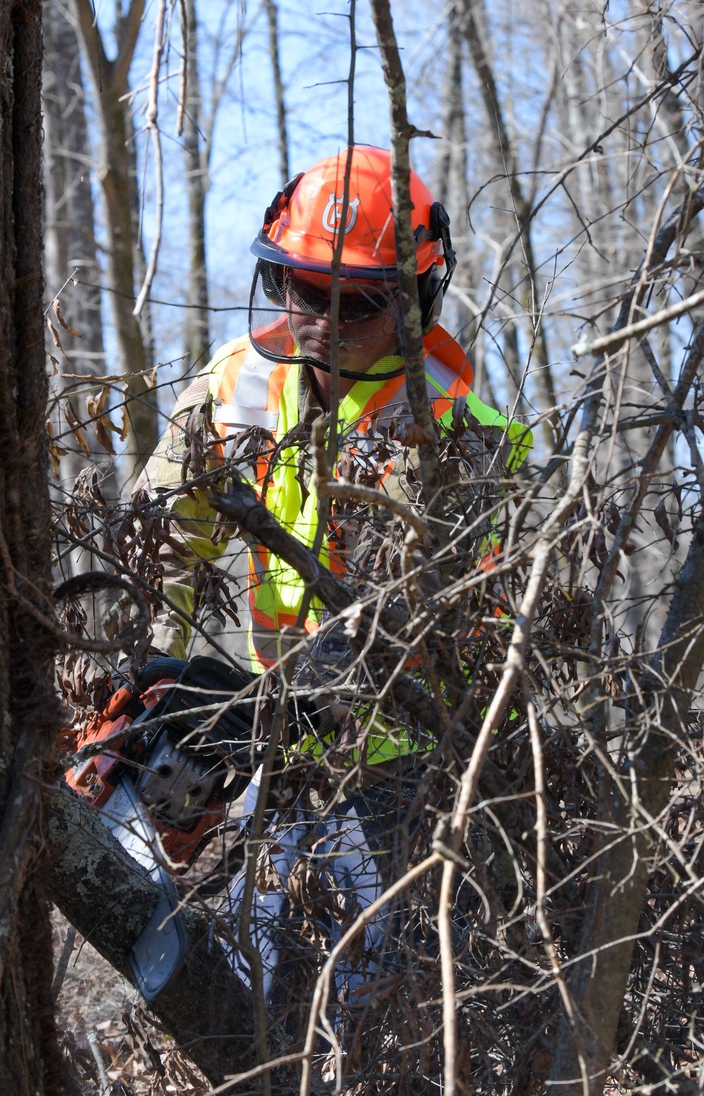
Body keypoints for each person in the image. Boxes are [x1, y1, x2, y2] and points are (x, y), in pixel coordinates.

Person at [134, 146, 530, 1039]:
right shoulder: (236, 383)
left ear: (419, 297)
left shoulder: (461, 435)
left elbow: (454, 657)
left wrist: (282, 712)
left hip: (411, 768)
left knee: (376, 1013)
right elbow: (158, 537)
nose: (324, 322)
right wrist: (165, 685)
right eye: (305, 290)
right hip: (284, 748)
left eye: (358, 303)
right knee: (244, 989)